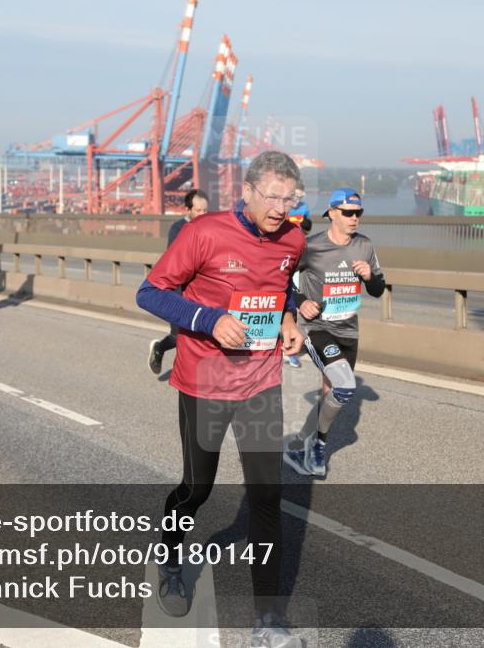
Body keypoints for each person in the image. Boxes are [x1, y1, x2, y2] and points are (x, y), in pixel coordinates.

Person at [136, 151, 307, 647]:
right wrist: (209, 320)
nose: (280, 208)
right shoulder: (203, 232)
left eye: (289, 199)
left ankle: (268, 622)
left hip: (261, 381)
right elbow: (150, 292)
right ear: (247, 191)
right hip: (204, 381)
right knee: (197, 489)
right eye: (271, 197)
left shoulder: (293, 239)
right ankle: (170, 557)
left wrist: (290, 320)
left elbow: (281, 288)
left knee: (266, 496)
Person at [283, 188, 385, 478]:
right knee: (345, 386)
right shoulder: (311, 246)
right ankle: (317, 447)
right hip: (317, 328)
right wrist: (301, 302)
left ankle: (303, 446)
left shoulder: (364, 245)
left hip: (348, 331)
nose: (354, 218)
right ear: (331, 214)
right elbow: (284, 280)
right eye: (348, 213)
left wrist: (370, 277)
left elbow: (378, 290)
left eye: (358, 213)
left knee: (332, 392)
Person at [146, 188, 209, 374]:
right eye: (198, 210)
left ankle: (196, 372)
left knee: (199, 333)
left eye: (205, 210)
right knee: (178, 334)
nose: (203, 214)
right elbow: (175, 261)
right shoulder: (178, 228)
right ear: (188, 209)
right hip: (179, 290)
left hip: (202, 289)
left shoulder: (210, 226)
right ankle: (159, 347)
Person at [283, 183, 312, 368]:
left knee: (294, 301)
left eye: (301, 197)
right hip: (284, 256)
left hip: (299, 256)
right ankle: (287, 346)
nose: (298, 200)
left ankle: (290, 348)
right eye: (295, 197)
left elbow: (308, 229)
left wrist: (305, 225)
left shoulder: (305, 208)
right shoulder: (283, 208)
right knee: (286, 301)